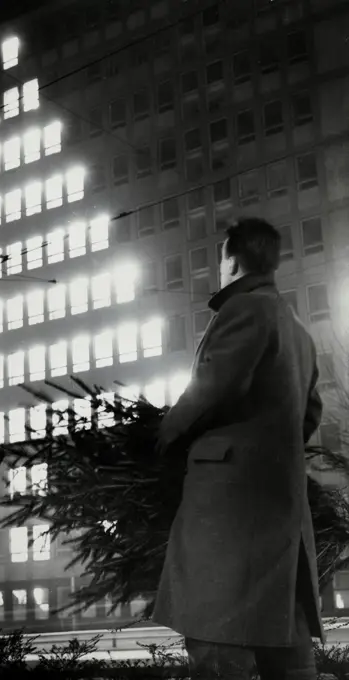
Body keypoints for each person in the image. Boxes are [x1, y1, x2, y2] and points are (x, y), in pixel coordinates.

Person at [152, 217, 324, 679]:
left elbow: (212, 387)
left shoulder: (245, 310)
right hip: (281, 514)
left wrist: (165, 436)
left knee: (215, 641)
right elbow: (310, 415)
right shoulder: (299, 333)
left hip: (229, 514)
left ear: (231, 259)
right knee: (285, 645)